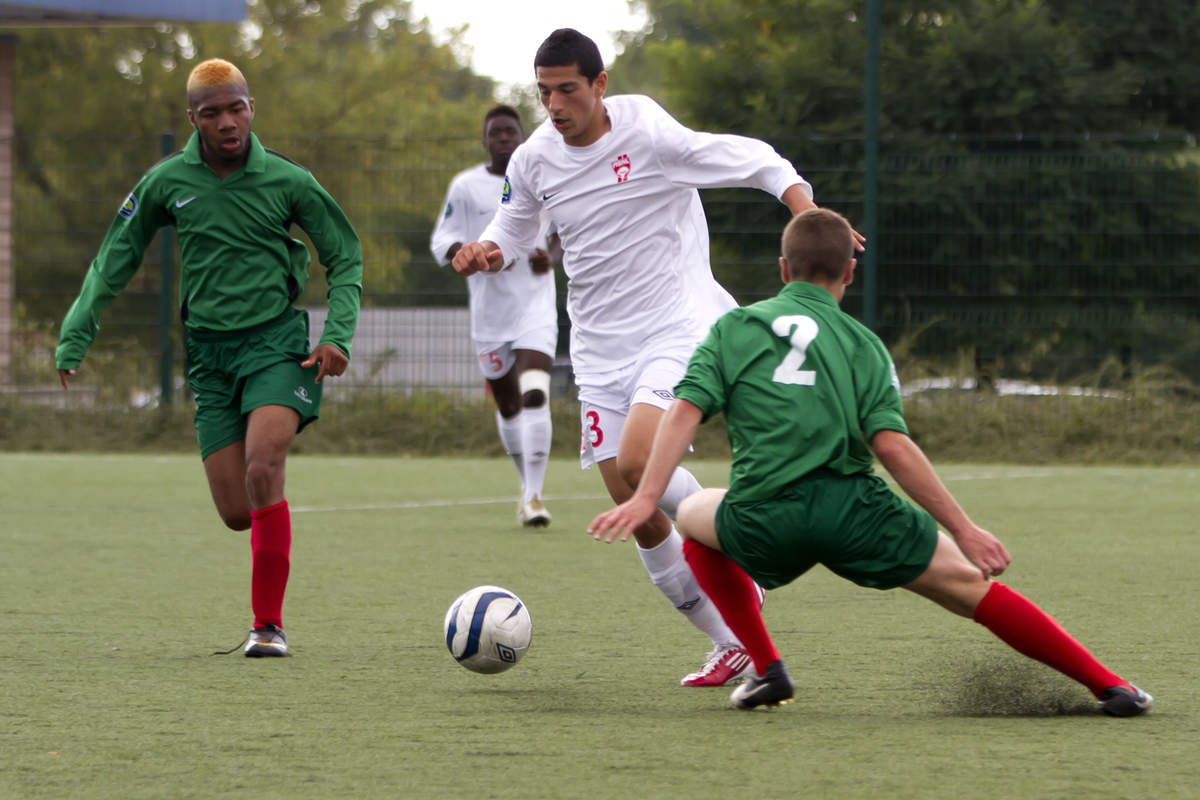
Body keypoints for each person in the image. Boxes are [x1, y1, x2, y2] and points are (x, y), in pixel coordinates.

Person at [588, 209, 1152, 717]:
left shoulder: (732, 328)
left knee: (692, 516)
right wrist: (965, 529)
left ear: (784, 268)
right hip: (855, 514)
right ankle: (1111, 686)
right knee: (970, 588)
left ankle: (766, 666)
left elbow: (684, 411)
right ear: (848, 275)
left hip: (765, 518)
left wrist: (644, 496)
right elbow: (892, 447)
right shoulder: (864, 346)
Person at [453, 29, 860, 686]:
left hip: (676, 323)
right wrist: (487, 250)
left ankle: (745, 556)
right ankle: (729, 639)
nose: (555, 105)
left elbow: (749, 157)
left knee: (643, 465)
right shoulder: (533, 160)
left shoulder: (646, 133)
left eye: (568, 90)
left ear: (600, 84)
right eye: (544, 92)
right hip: (596, 343)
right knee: (629, 500)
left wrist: (804, 205)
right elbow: (513, 225)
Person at [55, 58, 363, 658]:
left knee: (262, 464)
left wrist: (338, 335)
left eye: (236, 108)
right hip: (209, 357)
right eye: (212, 112)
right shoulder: (166, 182)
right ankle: (268, 529)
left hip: (277, 345)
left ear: (252, 108)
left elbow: (345, 257)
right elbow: (114, 258)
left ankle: (267, 627)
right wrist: (75, 334)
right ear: (192, 118)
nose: (227, 122)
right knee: (235, 511)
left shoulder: (289, 180)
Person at [431, 104, 559, 527]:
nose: (504, 138)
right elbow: (443, 240)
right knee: (507, 407)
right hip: (489, 314)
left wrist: (551, 258)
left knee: (535, 391)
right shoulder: (465, 187)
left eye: (511, 131)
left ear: (522, 138)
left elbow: (560, 232)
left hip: (534, 305)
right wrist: (462, 253)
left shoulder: (541, 178)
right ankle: (525, 486)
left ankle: (536, 496)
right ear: (484, 140)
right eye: (496, 132)